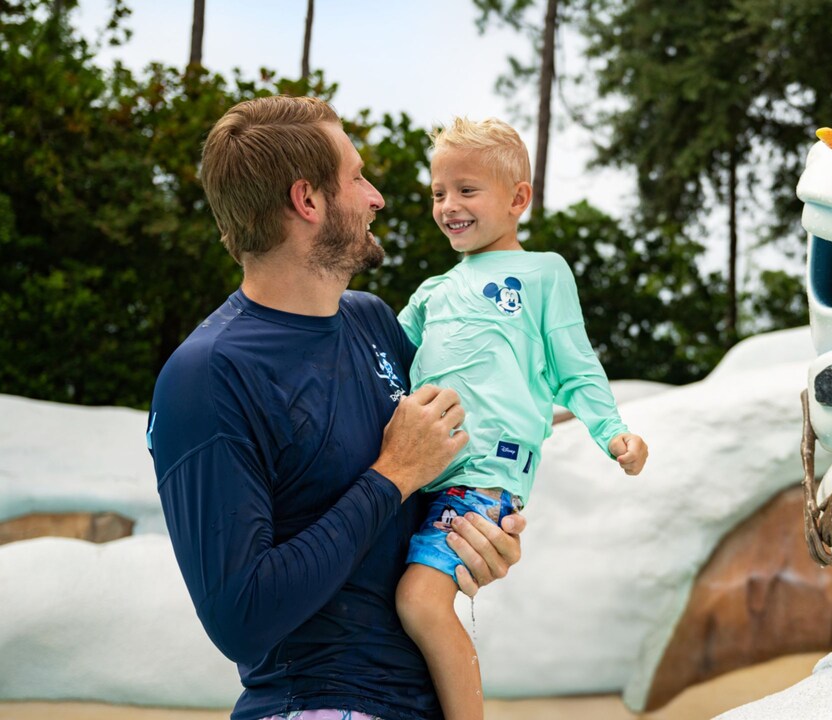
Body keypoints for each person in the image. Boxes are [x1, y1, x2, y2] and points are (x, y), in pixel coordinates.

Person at [149, 96, 526, 720]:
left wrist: (477, 534)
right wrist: (393, 473)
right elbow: (240, 617)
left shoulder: (373, 321)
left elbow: (438, 473)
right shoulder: (208, 375)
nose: (376, 196)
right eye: (356, 176)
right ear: (309, 201)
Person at [393, 117, 649, 720]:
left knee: (420, 603)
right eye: (438, 193)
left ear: (518, 199)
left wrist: (614, 432)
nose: (448, 205)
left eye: (466, 189)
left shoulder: (543, 273)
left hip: (484, 476)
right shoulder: (431, 291)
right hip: (417, 475)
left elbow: (575, 366)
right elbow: (378, 363)